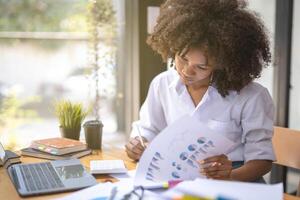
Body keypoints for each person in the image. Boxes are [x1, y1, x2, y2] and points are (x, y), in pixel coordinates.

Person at [125, 0, 275, 182]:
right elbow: (147, 130)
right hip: (178, 177)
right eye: (183, 58)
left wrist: (229, 176)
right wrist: (137, 145)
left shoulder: (251, 96)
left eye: (202, 66)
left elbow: (262, 161)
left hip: (236, 181)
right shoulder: (162, 84)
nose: (187, 71)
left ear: (222, 64)